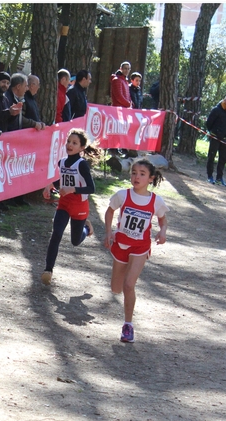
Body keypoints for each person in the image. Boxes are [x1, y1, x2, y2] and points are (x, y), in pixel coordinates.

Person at [103, 159, 168, 343]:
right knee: (116, 288)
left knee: (129, 285)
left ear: (150, 179)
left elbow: (163, 220)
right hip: (121, 244)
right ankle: (123, 287)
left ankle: (128, 326)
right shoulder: (122, 195)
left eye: (142, 174)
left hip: (140, 247)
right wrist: (109, 232)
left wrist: (162, 232)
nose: (136, 176)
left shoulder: (156, 201)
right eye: (133, 172)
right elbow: (109, 212)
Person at [40, 129, 100, 285]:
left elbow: (91, 188)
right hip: (64, 204)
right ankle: (48, 270)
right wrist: (50, 185)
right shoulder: (62, 162)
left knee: (75, 241)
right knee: (56, 234)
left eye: (74, 143)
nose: (70, 145)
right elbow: (64, 181)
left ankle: (87, 229)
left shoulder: (82, 165)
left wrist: (73, 189)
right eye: (68, 141)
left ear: (81, 148)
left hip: (79, 205)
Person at [205, 94, 226, 187]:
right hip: (215, 137)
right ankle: (210, 176)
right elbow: (208, 123)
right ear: (224, 100)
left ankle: (219, 178)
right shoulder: (216, 110)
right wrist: (214, 132)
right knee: (212, 156)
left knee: (223, 158)